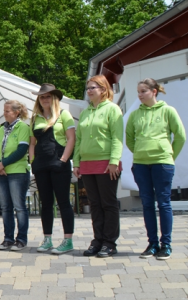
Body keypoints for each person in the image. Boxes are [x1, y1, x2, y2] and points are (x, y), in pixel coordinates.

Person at [127, 78, 186, 260]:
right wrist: (140, 152)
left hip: (163, 163)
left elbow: (180, 136)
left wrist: (169, 156)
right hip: (141, 165)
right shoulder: (135, 115)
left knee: (163, 203)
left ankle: (166, 245)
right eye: (138, 92)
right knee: (147, 203)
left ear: (154, 91)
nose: (140, 95)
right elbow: (129, 138)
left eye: (143, 91)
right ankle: (152, 244)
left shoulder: (168, 111)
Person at [74, 75, 123, 258]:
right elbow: (79, 139)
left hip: (106, 163)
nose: (89, 91)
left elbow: (117, 137)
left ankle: (109, 243)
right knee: (94, 204)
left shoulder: (113, 109)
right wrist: (77, 162)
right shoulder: (85, 112)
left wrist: (114, 162)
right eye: (88, 88)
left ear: (103, 89)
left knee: (108, 203)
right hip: (87, 164)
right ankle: (98, 240)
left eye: (92, 87)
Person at [28, 84, 76, 255]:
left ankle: (67, 240)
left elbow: (71, 139)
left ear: (54, 98)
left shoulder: (64, 114)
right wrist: (32, 162)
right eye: (42, 97)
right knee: (46, 203)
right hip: (41, 165)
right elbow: (32, 143)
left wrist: (63, 160)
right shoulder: (34, 118)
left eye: (48, 96)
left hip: (59, 163)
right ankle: (47, 239)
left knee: (63, 202)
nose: (45, 99)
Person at [0, 100, 31, 251]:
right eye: (4, 111)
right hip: (2, 173)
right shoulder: (2, 129)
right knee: (5, 207)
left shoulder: (22, 127)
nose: (4, 114)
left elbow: (21, 150)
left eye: (7, 111)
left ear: (16, 113)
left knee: (19, 207)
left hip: (17, 171)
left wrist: (4, 163)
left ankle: (21, 239)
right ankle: (8, 238)